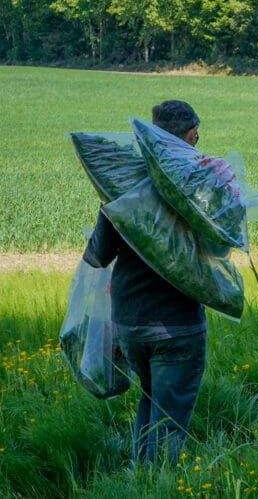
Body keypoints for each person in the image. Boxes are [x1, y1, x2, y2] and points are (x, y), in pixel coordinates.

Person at [83, 100, 205, 465]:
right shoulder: (199, 185)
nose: (198, 144)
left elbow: (98, 256)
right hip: (176, 325)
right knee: (169, 418)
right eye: (196, 137)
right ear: (186, 137)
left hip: (131, 322)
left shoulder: (123, 184)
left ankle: (141, 476)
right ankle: (160, 482)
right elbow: (220, 246)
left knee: (151, 399)